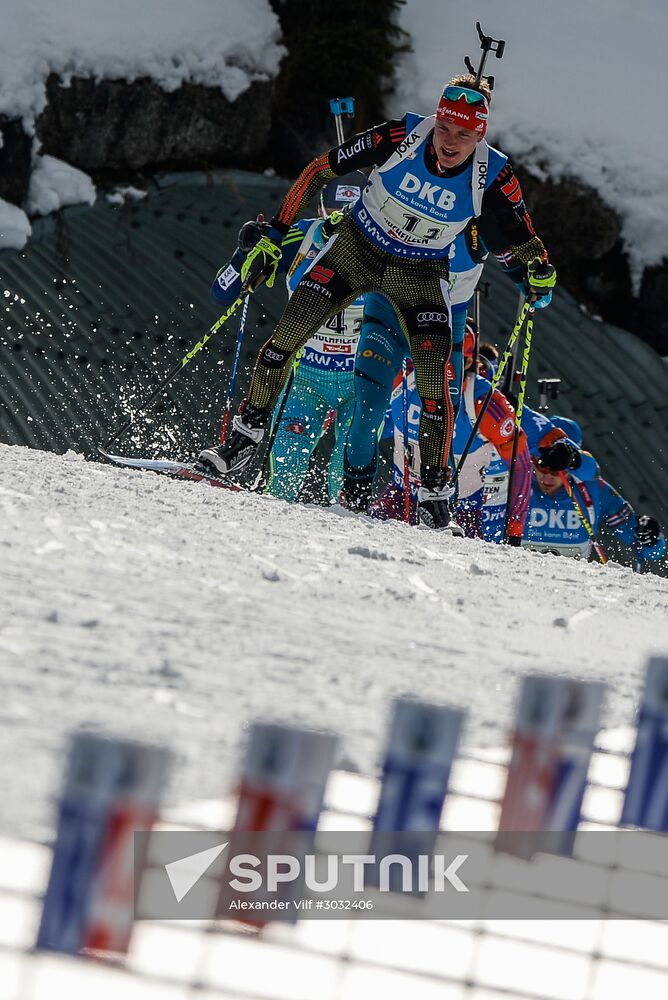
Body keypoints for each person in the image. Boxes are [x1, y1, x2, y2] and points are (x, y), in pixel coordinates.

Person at [197, 73, 556, 530]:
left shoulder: (494, 173)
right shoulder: (403, 135)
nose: (449, 142)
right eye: (445, 127)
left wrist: (541, 272)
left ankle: (433, 492)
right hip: (357, 250)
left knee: (433, 384)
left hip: (420, 271)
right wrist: (271, 235)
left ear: (480, 134)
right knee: (283, 338)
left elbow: (525, 240)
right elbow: (319, 170)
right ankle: (244, 438)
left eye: (463, 134)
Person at [211, 173, 367, 503]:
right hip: (308, 373)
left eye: (351, 215)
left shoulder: (384, 249)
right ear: (322, 209)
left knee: (346, 475)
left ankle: (347, 540)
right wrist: (244, 253)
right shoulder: (304, 235)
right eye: (334, 213)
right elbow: (223, 293)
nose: (340, 223)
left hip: (361, 379)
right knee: (285, 471)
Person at [340, 228, 490, 513]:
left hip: (442, 330)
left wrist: (533, 276)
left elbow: (521, 247)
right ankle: (354, 502)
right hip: (388, 317)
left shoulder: (475, 215)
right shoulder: (405, 199)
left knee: (445, 416)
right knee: (369, 411)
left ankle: (437, 502)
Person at [369, 325, 532, 544]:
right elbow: (368, 418)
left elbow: (521, 463)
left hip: (460, 512)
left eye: (453, 361)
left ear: (467, 362)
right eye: (436, 357)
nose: (443, 369)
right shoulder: (405, 378)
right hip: (401, 499)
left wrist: (514, 532)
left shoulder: (483, 403)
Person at [523, 461, 666, 562]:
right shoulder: (517, 482)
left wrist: (651, 538)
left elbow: (645, 547)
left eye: (556, 470)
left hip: (569, 578)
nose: (548, 476)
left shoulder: (594, 489)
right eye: (542, 467)